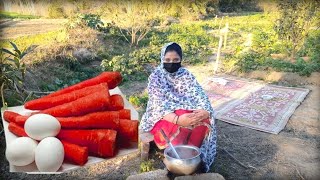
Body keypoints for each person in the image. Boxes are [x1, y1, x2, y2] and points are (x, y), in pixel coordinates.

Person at [140, 42, 217, 172]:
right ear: (162, 59)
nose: (172, 63)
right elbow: (157, 105)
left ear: (181, 60)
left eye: (176, 60)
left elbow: (199, 95)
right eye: (168, 60)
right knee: (183, 114)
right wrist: (178, 120)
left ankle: (191, 153)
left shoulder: (186, 75)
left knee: (202, 118)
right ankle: (177, 156)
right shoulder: (156, 77)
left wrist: (205, 111)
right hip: (163, 117)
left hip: (184, 113)